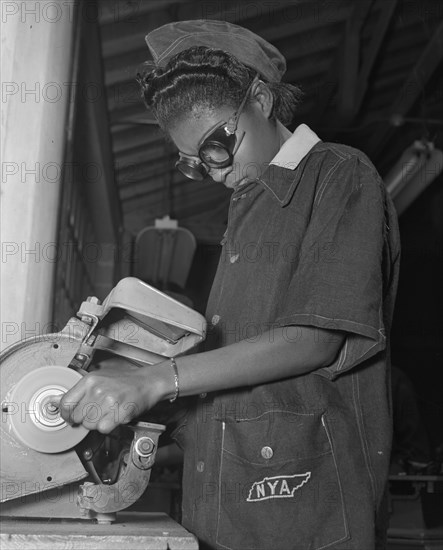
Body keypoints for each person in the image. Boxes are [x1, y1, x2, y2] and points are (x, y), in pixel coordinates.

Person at [60, 19, 401, 550]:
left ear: (261, 99)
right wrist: (142, 411)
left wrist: (156, 380)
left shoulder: (339, 175)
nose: (214, 170)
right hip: (223, 507)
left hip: (304, 511)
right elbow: (236, 389)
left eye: (218, 145)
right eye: (195, 163)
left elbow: (313, 338)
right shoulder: (247, 213)